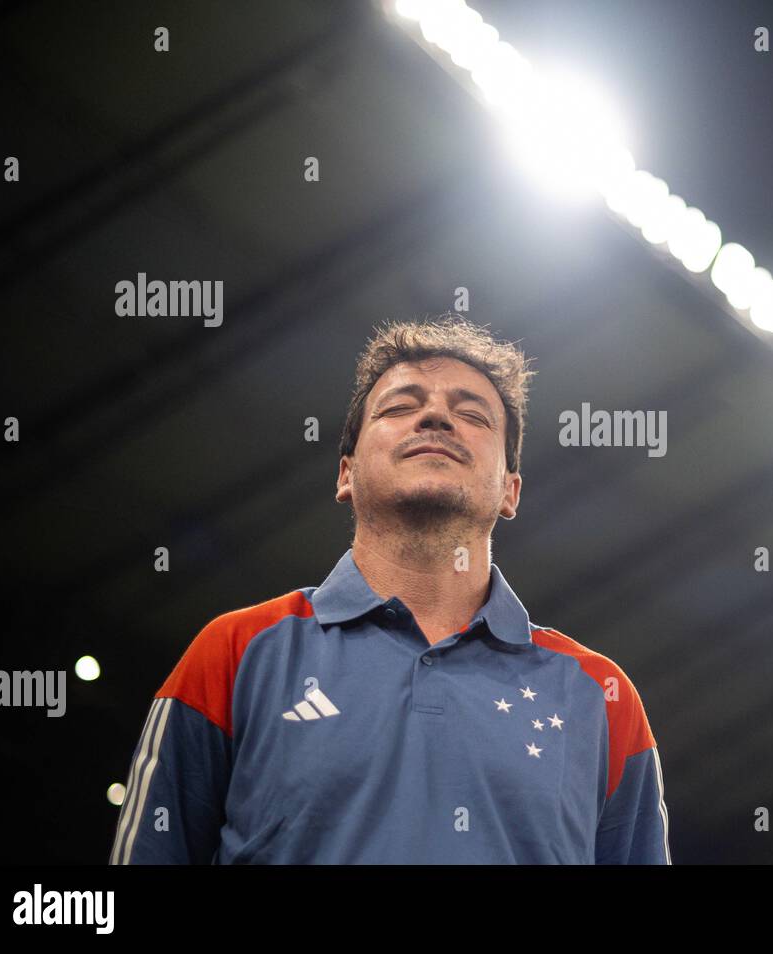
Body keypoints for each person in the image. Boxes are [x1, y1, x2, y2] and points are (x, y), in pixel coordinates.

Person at [109, 313, 670, 863]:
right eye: (401, 406)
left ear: (510, 491)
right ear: (346, 474)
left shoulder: (601, 696)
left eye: (472, 414)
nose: (435, 418)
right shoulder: (234, 651)